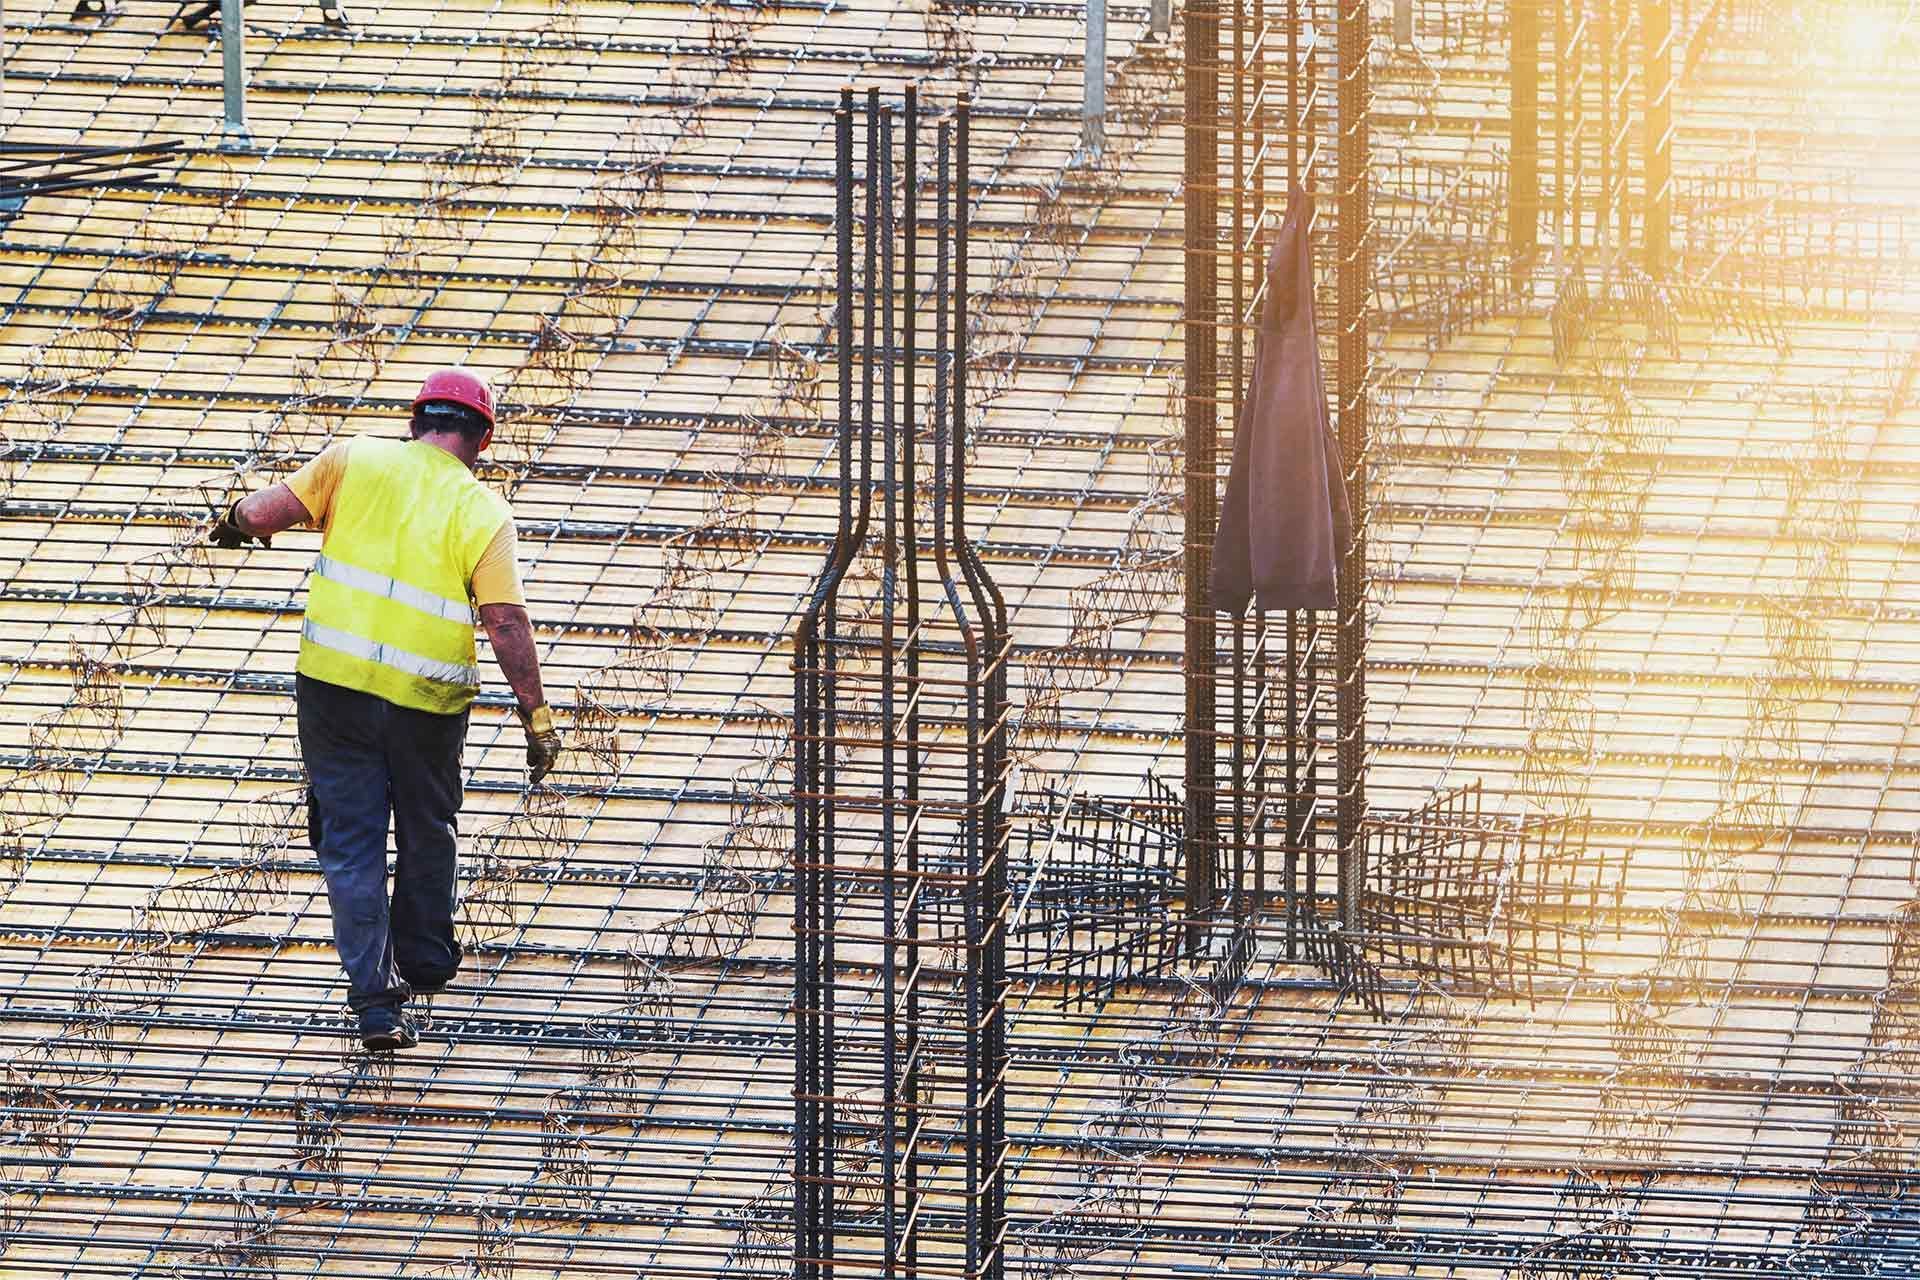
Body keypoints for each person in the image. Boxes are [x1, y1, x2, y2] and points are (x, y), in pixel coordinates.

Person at [211, 368, 563, 1050]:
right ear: (482, 440)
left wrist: (231, 523)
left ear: (414, 421)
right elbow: (506, 623)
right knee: (428, 827)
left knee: (351, 845)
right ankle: (426, 959)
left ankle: (376, 1002)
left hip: (333, 694)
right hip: (426, 709)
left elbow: (261, 513)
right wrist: (536, 718)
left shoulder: (353, 458)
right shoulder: (484, 512)